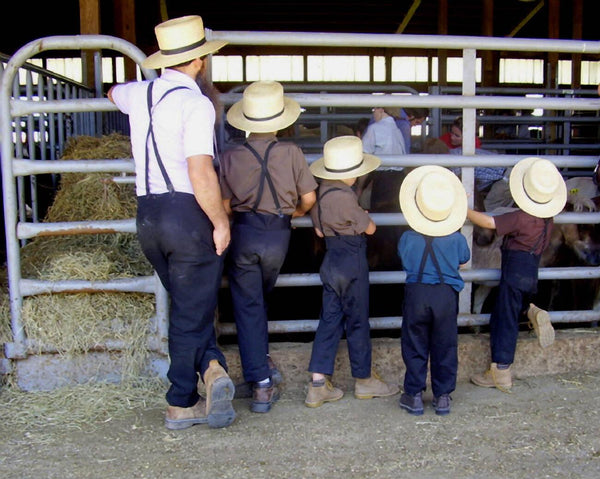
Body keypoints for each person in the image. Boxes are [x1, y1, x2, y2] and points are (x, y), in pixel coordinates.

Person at [107, 15, 235, 430]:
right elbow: (200, 170)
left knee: (190, 306)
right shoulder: (195, 103)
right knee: (189, 314)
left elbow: (113, 92)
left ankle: (214, 368)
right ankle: (181, 401)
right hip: (186, 214)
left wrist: (127, 92)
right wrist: (219, 221)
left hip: (148, 217)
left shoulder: (138, 94)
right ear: (199, 61)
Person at [220, 80, 318, 413]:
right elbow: (308, 198)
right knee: (261, 299)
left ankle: (261, 384)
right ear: (280, 120)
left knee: (248, 305)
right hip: (280, 235)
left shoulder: (231, 155)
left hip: (245, 232)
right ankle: (262, 361)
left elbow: (224, 204)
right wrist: (297, 213)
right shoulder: (292, 152)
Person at [304, 135, 399, 408]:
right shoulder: (346, 197)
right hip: (352, 262)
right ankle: (364, 380)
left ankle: (318, 383)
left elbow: (320, 230)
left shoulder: (321, 195)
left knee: (329, 320)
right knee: (357, 321)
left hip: (330, 261)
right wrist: (361, 214)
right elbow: (369, 229)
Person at [468, 157, 567, 392]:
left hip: (513, 270)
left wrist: (465, 210)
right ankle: (533, 310)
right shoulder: (546, 219)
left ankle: (501, 371)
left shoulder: (520, 217)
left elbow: (488, 222)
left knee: (504, 319)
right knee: (517, 305)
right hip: (531, 269)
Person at [397, 165, 470, 416]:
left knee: (414, 343)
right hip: (446, 296)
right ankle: (443, 397)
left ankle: (414, 395)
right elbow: (463, 260)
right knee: (445, 344)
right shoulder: (457, 238)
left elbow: (404, 260)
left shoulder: (407, 237)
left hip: (416, 293)